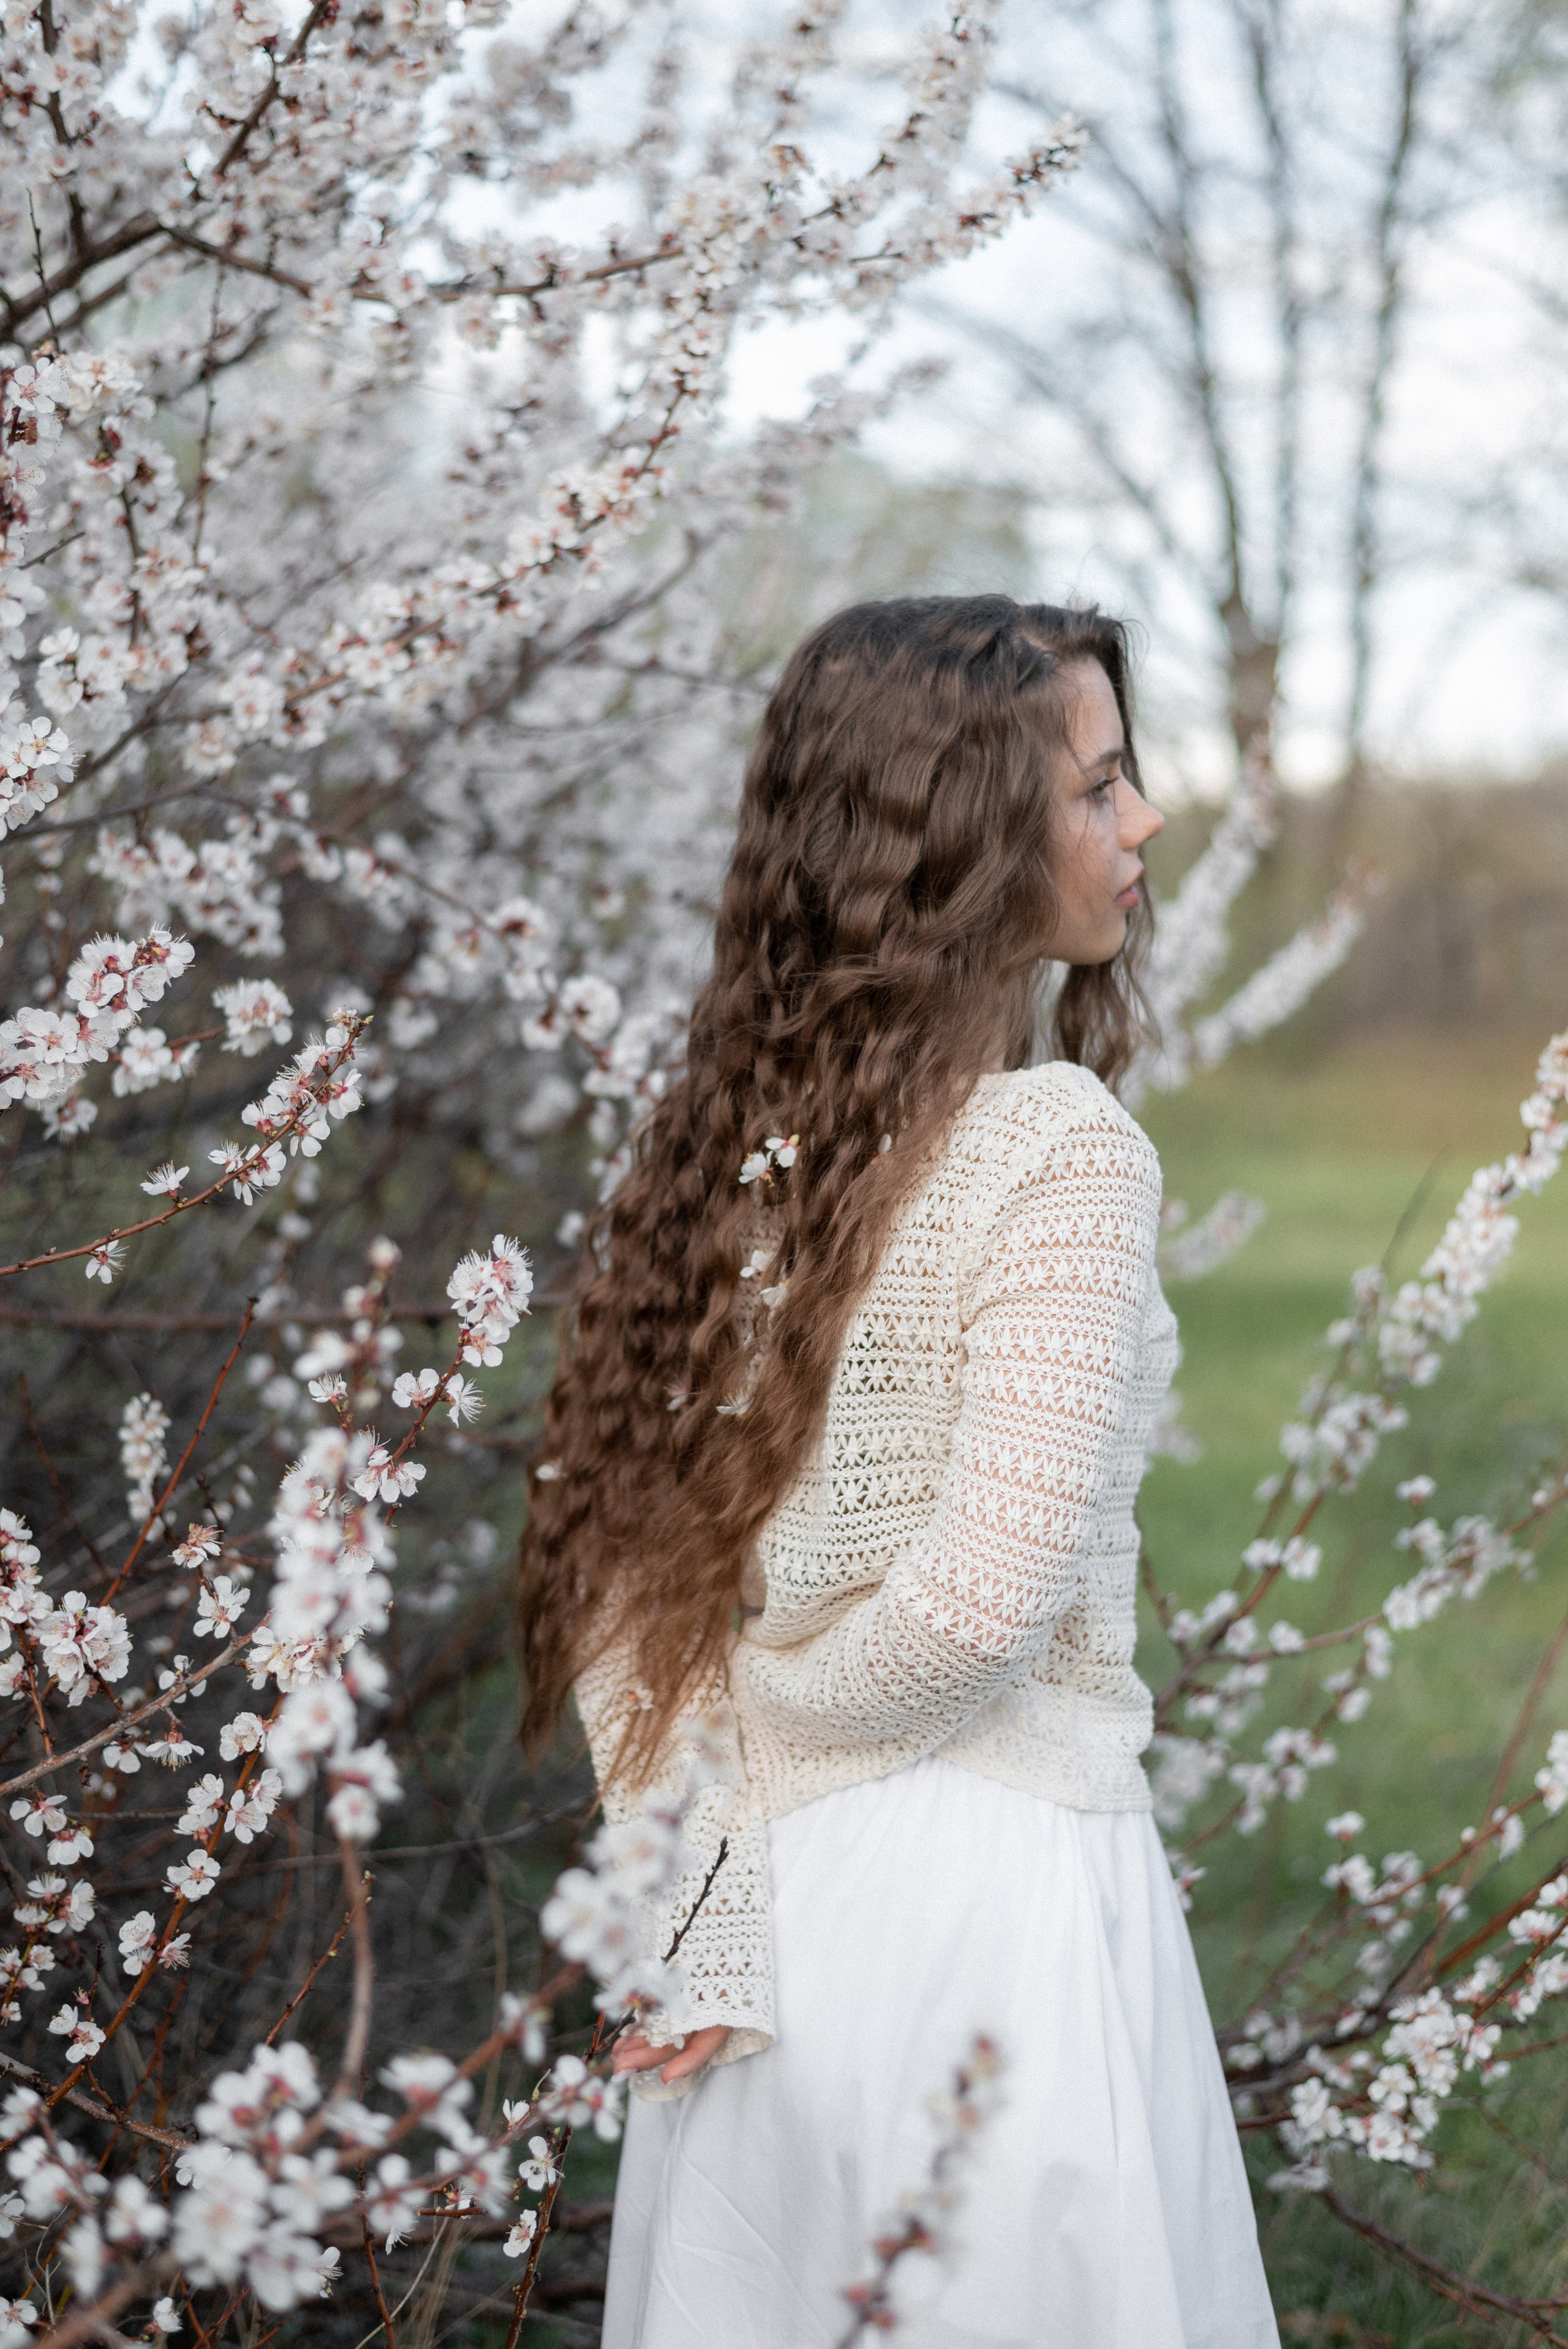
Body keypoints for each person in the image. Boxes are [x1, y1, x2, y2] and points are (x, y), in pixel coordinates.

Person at [520, 596, 1281, 2348]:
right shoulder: (1056, 1148)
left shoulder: (718, 1156)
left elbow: (632, 1599)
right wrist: (763, 1762)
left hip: (761, 1919)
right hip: (983, 1904)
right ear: (963, 841)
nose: (1145, 820)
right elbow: (982, 1611)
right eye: (1099, 787)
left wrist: (701, 1870)